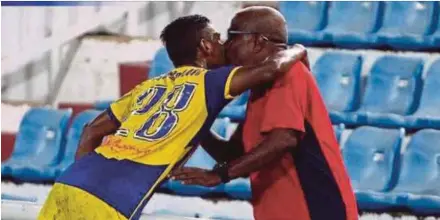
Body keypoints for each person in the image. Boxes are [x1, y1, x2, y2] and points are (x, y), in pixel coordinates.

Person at [38, 14, 307, 220]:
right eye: (217, 38)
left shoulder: (148, 87)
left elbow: (91, 131)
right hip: (113, 198)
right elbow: (271, 67)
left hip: (71, 181)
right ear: (205, 46)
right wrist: (298, 50)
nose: (223, 44)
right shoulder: (211, 82)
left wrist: (86, 178)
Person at [171, 7, 359, 220]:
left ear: (258, 41)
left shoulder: (290, 73)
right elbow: (232, 153)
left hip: (316, 209)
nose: (227, 45)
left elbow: (284, 139)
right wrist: (194, 121)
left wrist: (220, 175)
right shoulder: (260, 87)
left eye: (233, 36)